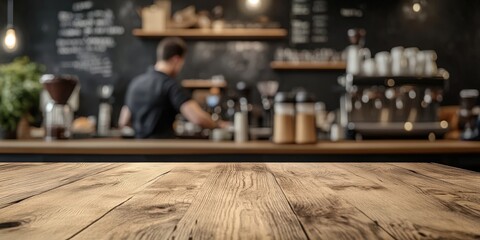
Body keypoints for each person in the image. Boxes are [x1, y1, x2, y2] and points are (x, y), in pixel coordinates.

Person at [118, 37, 222, 138]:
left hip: (137, 150)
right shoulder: (170, 85)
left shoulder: (136, 83)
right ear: (176, 60)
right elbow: (198, 118)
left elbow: (123, 121)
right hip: (163, 150)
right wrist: (217, 125)